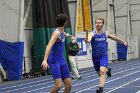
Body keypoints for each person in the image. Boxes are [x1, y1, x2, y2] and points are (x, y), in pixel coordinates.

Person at [84, 18, 128, 93]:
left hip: (103, 56)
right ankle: (108, 70)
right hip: (95, 57)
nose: (98, 24)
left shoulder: (105, 33)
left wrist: (123, 41)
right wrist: (87, 40)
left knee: (102, 71)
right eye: (97, 23)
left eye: (99, 23)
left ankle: (100, 89)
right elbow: (89, 39)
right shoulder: (92, 33)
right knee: (100, 73)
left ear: (102, 24)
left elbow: (114, 37)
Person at [41, 14, 72, 93]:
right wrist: (45, 60)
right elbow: (49, 46)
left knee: (68, 85)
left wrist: (66, 35)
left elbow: (63, 34)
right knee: (58, 85)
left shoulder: (62, 32)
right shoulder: (56, 33)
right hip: (54, 60)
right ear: (65, 22)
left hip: (61, 60)